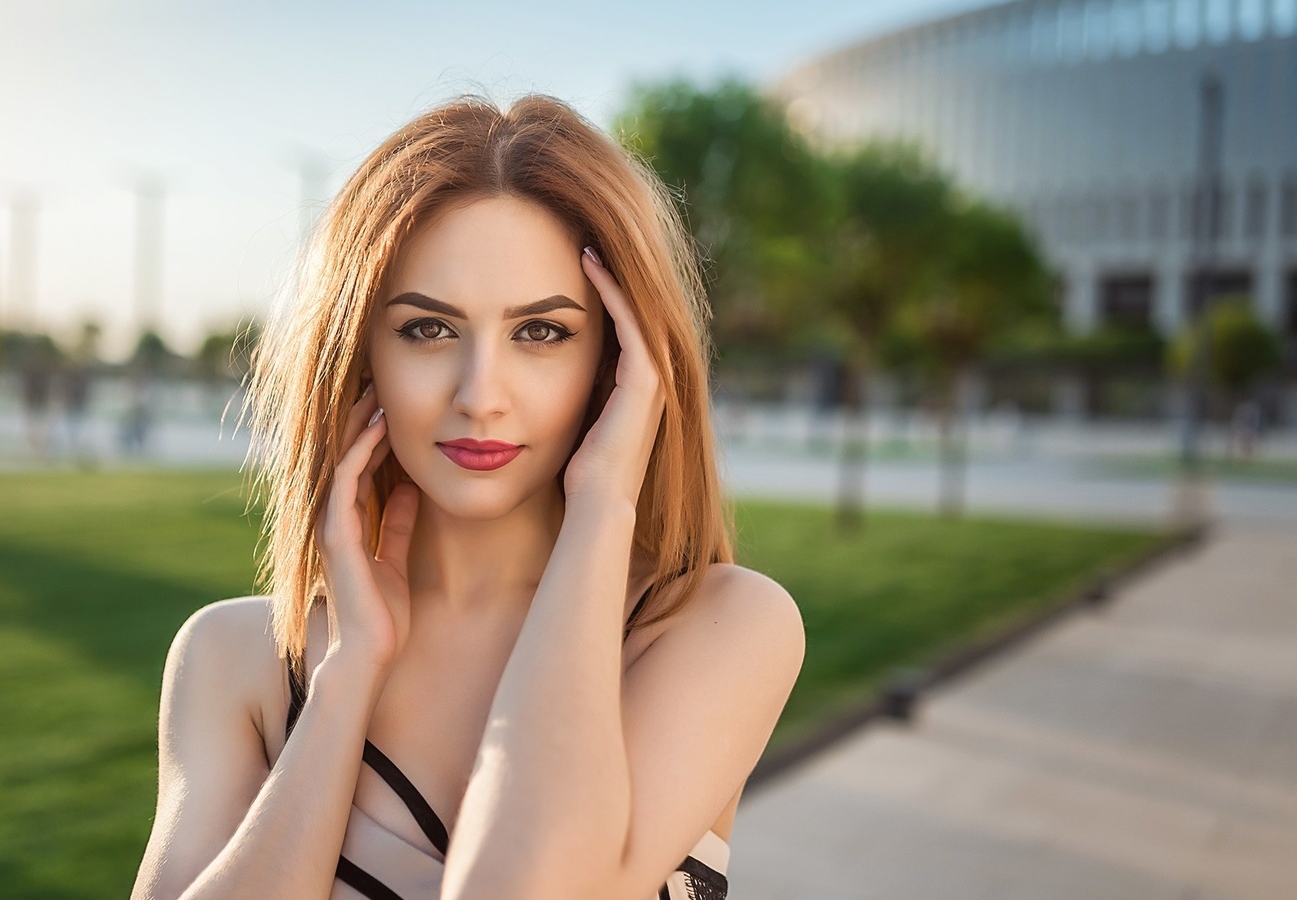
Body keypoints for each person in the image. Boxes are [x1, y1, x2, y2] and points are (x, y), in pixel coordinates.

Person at [129, 93, 806, 900]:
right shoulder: (235, 661)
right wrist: (345, 683)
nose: (481, 394)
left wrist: (602, 512)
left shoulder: (718, 628)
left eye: (542, 332)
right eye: (428, 328)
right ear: (361, 353)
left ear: (618, 360)